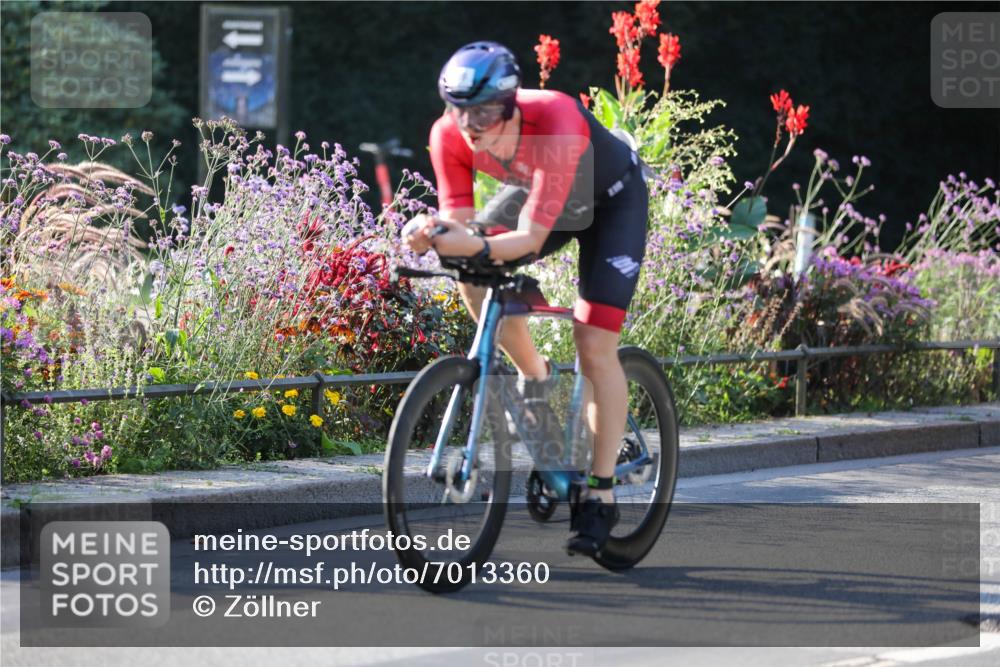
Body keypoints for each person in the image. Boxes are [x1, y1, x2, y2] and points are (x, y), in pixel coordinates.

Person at [403, 41, 649, 556]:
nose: (471, 125)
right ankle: (532, 374)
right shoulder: (447, 133)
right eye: (460, 110)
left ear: (512, 103)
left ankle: (599, 495)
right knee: (471, 270)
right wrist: (429, 229)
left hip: (611, 201)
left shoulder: (555, 119)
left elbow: (531, 239)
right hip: (545, 192)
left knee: (593, 340)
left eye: (487, 112)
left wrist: (472, 241)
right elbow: (462, 221)